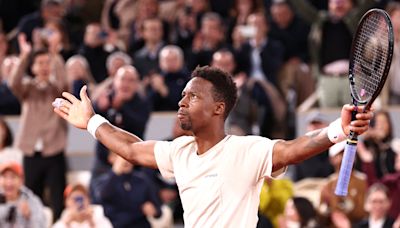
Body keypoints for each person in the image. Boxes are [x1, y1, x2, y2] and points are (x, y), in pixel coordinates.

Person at [53, 66, 373, 227]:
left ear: (218, 108)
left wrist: (338, 129)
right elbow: (133, 149)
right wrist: (93, 122)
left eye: (192, 96)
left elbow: (294, 148)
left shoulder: (246, 150)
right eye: (183, 95)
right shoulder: (178, 152)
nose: (181, 101)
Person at [9, 34, 68, 220]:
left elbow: (65, 84)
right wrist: (24, 56)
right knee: (32, 197)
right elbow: (13, 83)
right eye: (40, 63)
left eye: (47, 62)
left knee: (58, 199)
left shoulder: (56, 88)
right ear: (33, 67)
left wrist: (55, 55)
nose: (44, 66)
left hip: (54, 150)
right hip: (31, 152)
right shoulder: (27, 89)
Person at [0, 162, 46, 228]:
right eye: (5, 177)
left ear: (21, 180)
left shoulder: (32, 201)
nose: (8, 182)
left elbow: (41, 225)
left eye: (13, 177)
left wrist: (29, 216)